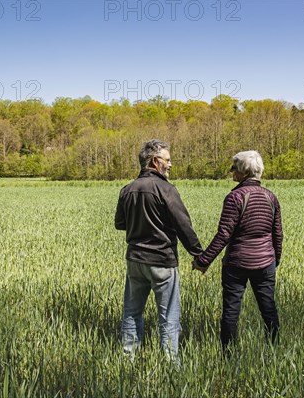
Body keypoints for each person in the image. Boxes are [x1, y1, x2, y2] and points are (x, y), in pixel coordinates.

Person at [115, 139, 203, 361]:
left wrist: (140, 222)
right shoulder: (166, 189)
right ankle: (170, 363)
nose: (171, 164)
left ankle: (128, 359)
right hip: (162, 260)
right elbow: (184, 225)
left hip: (135, 260)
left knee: (132, 312)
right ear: (155, 162)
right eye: (168, 160)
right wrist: (198, 253)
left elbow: (120, 223)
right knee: (169, 316)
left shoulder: (128, 189)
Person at [192, 150, 283, 350]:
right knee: (268, 309)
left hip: (236, 264)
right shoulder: (271, 197)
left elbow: (224, 234)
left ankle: (229, 357)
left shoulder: (234, 197)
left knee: (231, 311)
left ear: (243, 172)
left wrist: (203, 260)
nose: (231, 171)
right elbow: (277, 234)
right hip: (266, 263)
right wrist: (275, 259)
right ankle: (274, 350)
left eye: (234, 168)